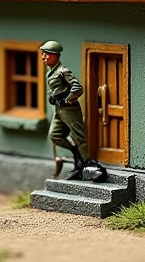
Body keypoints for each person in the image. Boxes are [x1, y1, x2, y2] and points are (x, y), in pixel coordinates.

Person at [41, 40, 105, 181]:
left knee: (79, 137)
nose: (43, 57)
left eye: (46, 55)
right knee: (55, 135)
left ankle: (87, 164)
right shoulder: (50, 71)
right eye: (43, 54)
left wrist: (67, 98)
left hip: (69, 110)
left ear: (55, 55)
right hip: (58, 111)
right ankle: (77, 154)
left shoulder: (62, 71)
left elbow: (77, 87)